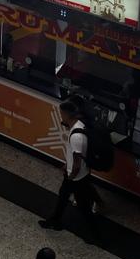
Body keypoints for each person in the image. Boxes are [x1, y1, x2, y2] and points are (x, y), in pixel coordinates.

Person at [39, 101, 99, 236]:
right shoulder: (79, 125)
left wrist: (71, 176)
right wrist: (67, 166)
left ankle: (95, 236)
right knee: (63, 197)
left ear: (66, 114)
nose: (61, 116)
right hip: (76, 174)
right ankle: (54, 220)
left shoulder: (77, 136)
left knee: (83, 207)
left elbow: (77, 161)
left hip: (76, 177)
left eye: (61, 113)